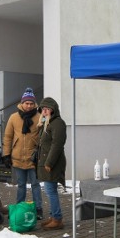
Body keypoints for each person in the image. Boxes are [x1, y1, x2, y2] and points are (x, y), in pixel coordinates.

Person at [3, 87, 43, 220]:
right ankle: (19, 208)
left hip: (33, 158)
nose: (29, 106)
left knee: (35, 185)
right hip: (17, 157)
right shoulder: (13, 117)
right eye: (27, 103)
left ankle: (38, 209)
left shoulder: (39, 117)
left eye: (31, 103)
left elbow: (43, 137)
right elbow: (8, 137)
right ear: (22, 103)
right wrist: (6, 155)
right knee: (21, 185)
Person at [37, 97, 67, 230]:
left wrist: (49, 162)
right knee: (50, 190)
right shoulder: (46, 123)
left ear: (53, 110)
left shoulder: (57, 123)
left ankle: (57, 219)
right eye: (43, 109)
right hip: (46, 161)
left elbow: (57, 145)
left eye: (47, 109)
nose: (45, 111)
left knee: (51, 190)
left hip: (52, 162)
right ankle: (53, 216)